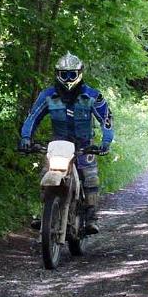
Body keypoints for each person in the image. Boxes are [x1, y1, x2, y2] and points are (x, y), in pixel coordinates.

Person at [19, 52, 114, 234]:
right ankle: (44, 213)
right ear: (57, 74)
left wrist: (105, 142)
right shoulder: (48, 96)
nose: (68, 78)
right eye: (64, 74)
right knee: (46, 173)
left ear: (79, 73)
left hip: (85, 144)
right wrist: (25, 138)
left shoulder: (92, 96)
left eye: (72, 74)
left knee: (90, 176)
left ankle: (91, 216)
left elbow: (106, 120)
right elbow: (32, 117)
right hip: (59, 144)